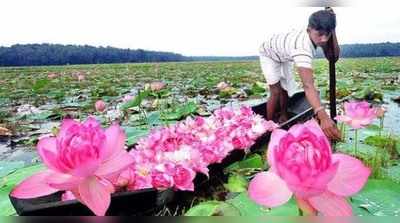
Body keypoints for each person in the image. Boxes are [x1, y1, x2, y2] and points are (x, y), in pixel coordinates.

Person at [259, 8, 341, 140]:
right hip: (269, 53)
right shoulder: (302, 49)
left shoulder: (320, 36)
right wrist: (323, 115)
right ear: (308, 30)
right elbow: (308, 86)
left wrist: (333, 30)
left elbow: (333, 57)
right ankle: (268, 127)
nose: (324, 39)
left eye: (327, 34)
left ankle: (283, 115)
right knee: (275, 91)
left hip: (285, 54)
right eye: (320, 34)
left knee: (285, 88)